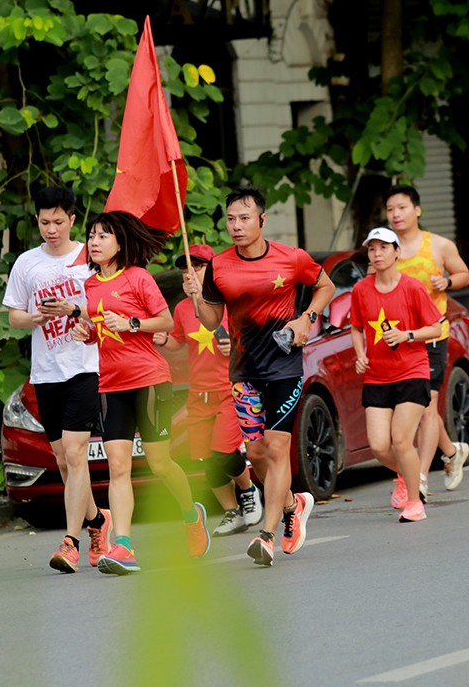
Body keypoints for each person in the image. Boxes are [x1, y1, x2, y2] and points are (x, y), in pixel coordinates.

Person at [184, 188, 336, 567]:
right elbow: (209, 319)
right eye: (231, 219)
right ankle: (292, 503)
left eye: (244, 218)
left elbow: (325, 285)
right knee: (254, 452)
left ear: (262, 221)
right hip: (244, 370)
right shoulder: (218, 267)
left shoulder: (291, 258)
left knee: (276, 447)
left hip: (284, 367)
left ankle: (266, 534)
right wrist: (196, 297)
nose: (236, 226)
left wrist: (307, 317)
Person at [72, 211, 210, 574]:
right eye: (91, 236)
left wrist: (132, 323)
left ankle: (190, 515)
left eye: (103, 236)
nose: (95, 242)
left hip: (148, 380)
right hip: (110, 384)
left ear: (120, 242)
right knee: (117, 467)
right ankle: (125, 547)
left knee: (160, 463)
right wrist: (87, 333)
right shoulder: (89, 285)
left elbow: (165, 321)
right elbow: (100, 328)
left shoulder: (138, 278)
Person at [3, 186, 110, 574]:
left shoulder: (89, 259)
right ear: (37, 221)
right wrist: (32, 319)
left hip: (83, 367)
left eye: (59, 222)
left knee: (77, 454)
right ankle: (98, 520)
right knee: (65, 463)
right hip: (45, 372)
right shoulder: (27, 264)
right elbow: (13, 315)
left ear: (72, 220)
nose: (52, 229)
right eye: (45, 222)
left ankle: (71, 542)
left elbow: (107, 306)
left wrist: (84, 318)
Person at [154, 243, 263, 536]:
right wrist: (163, 341)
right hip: (198, 395)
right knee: (204, 456)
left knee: (223, 449)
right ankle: (231, 511)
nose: (189, 274)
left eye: (198, 267)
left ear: (213, 270)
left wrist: (234, 345)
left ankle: (248, 489)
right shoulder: (181, 309)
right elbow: (178, 341)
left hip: (229, 389)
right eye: (185, 269)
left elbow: (253, 340)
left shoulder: (231, 303)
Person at [350, 227, 443, 521]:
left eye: (384, 248)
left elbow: (436, 328)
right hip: (377, 375)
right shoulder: (361, 289)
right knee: (378, 445)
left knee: (401, 439)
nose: (377, 254)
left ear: (396, 252)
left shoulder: (412, 287)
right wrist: (361, 354)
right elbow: (355, 326)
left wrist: (408, 335)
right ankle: (406, 474)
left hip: (412, 371)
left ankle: (415, 502)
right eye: (372, 249)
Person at [384, 185, 469, 496]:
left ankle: (419, 478)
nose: (396, 214)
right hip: (398, 341)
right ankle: (451, 451)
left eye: (402, 207)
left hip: (432, 337)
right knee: (420, 409)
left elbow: (464, 274)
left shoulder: (438, 245)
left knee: (426, 406)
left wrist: (446, 281)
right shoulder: (384, 248)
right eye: (391, 209)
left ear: (417, 210)